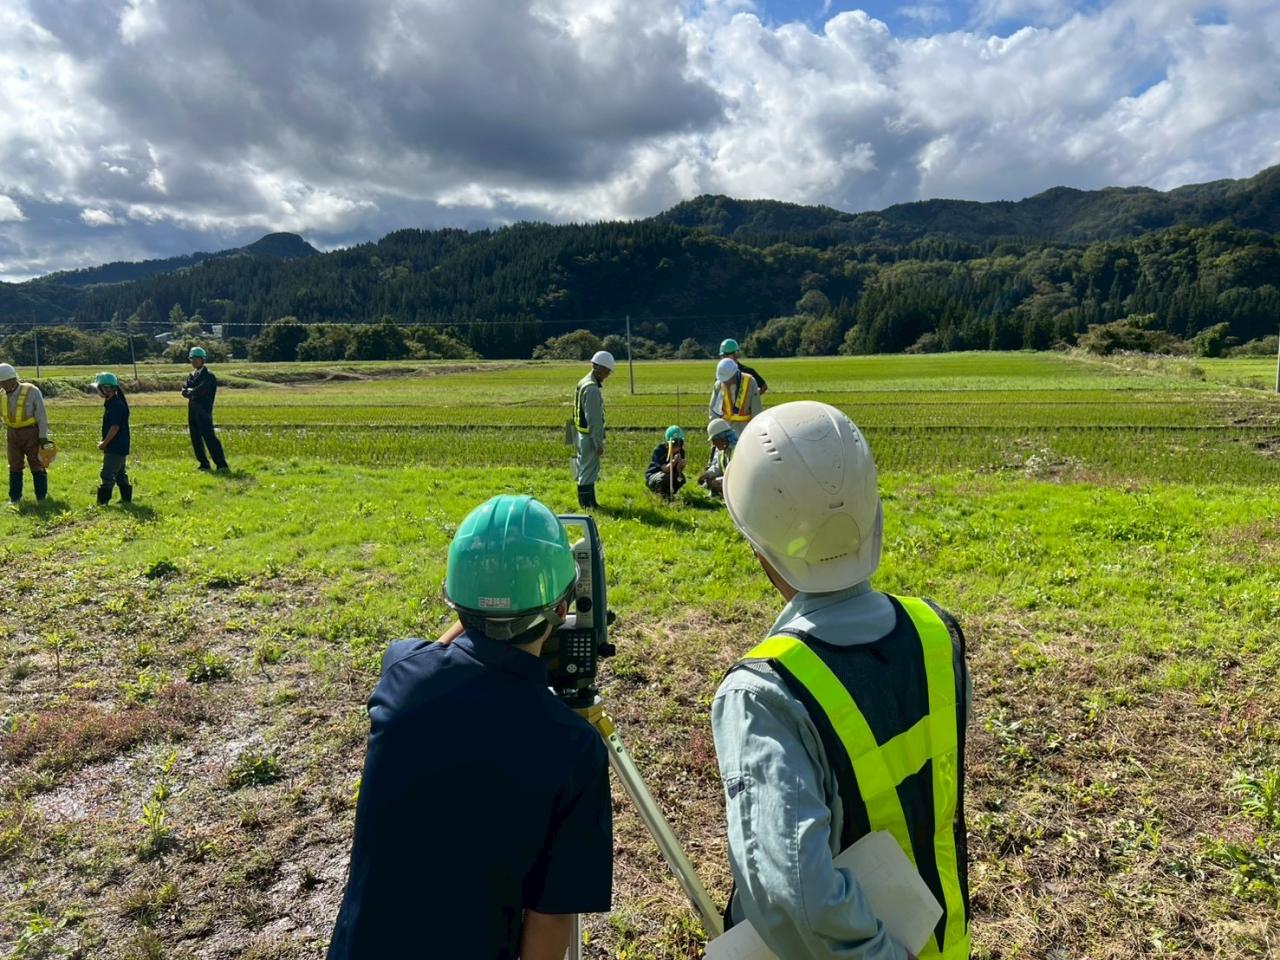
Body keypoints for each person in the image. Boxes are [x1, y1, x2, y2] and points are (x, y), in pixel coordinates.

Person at [712, 401, 971, 960]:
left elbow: (793, 894)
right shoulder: (935, 633)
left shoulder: (763, 692)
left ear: (759, 548)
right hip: (941, 940)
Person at [328, 494, 613, 960]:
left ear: (455, 597)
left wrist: (482, 609)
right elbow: (551, 917)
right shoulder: (572, 746)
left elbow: (436, 650)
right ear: (563, 607)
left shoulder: (402, 674)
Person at [1, 363, 53, 505]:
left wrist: (43, 437)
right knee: (14, 465)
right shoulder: (1, 394)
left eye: (4, 383)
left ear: (12, 380)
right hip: (12, 434)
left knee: (37, 464)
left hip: (32, 433)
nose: (3, 386)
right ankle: (15, 499)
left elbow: (42, 415)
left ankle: (41, 498)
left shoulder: (32, 391)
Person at [571, 350, 614, 509]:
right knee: (589, 471)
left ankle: (587, 503)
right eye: (607, 372)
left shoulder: (583, 382)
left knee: (583, 469)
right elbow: (594, 420)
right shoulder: (592, 389)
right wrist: (598, 443)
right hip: (589, 437)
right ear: (600, 369)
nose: (608, 375)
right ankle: (588, 505)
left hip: (579, 433)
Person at [182, 346, 229, 472]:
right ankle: (204, 464)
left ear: (203, 360)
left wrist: (190, 392)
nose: (194, 361)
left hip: (204, 412)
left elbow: (200, 391)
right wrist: (189, 392)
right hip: (192, 411)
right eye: (192, 359)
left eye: (196, 359)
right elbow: (184, 390)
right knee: (195, 439)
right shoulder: (191, 375)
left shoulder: (209, 376)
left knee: (210, 438)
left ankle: (221, 464)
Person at [91, 372, 132, 505]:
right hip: (120, 446)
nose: (98, 391)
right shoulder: (112, 403)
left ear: (107, 388)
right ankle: (126, 500)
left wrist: (104, 443)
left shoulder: (116, 405)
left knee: (107, 474)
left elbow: (115, 428)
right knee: (120, 473)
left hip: (115, 446)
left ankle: (102, 503)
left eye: (99, 388)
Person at [708, 358, 762, 431]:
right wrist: (715, 429)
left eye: (727, 380)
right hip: (726, 429)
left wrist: (757, 429)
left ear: (734, 374)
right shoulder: (719, 384)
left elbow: (756, 409)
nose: (725, 382)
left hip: (746, 429)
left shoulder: (750, 382)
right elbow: (713, 410)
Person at [646, 425, 687, 500]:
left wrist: (681, 466)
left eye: (680, 443)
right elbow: (665, 469)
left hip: (670, 475)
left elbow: (678, 472)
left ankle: (671, 493)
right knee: (663, 478)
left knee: (681, 479)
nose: (678, 447)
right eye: (675, 444)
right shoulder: (659, 450)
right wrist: (674, 461)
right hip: (655, 475)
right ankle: (661, 495)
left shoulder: (681, 451)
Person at [698, 418, 736, 497]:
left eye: (714, 440)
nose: (714, 444)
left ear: (722, 437)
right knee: (709, 479)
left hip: (737, 482)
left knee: (715, 483)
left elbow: (737, 475)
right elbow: (717, 467)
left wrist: (722, 480)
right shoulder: (721, 451)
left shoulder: (737, 450)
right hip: (728, 480)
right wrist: (706, 474)